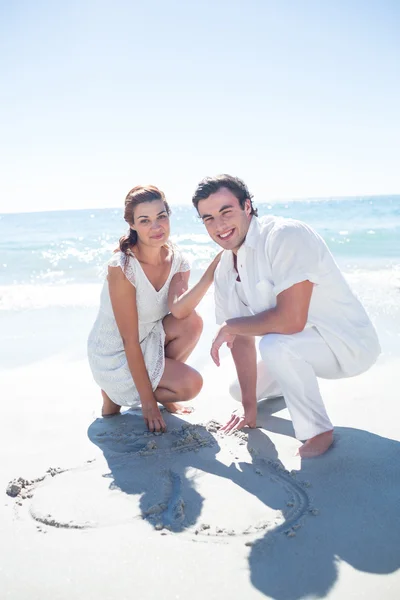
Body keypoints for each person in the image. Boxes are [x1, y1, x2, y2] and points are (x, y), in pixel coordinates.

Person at [191, 174, 381, 457]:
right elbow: (240, 337)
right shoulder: (224, 270)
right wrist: (249, 409)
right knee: (240, 392)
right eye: (208, 218)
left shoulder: (285, 235)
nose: (219, 226)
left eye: (226, 212)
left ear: (247, 206)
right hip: (304, 348)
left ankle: (318, 430)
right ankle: (289, 379)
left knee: (274, 344)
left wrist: (231, 326)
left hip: (348, 345)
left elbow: (291, 320)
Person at [88, 185, 221, 433]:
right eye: (145, 220)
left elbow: (180, 311)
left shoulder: (178, 259)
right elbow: (128, 339)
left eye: (161, 216)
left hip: (148, 339)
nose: (156, 227)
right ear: (132, 225)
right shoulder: (123, 266)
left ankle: (152, 387)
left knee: (193, 322)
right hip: (115, 353)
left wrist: (209, 275)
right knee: (191, 384)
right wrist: (149, 404)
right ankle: (115, 392)